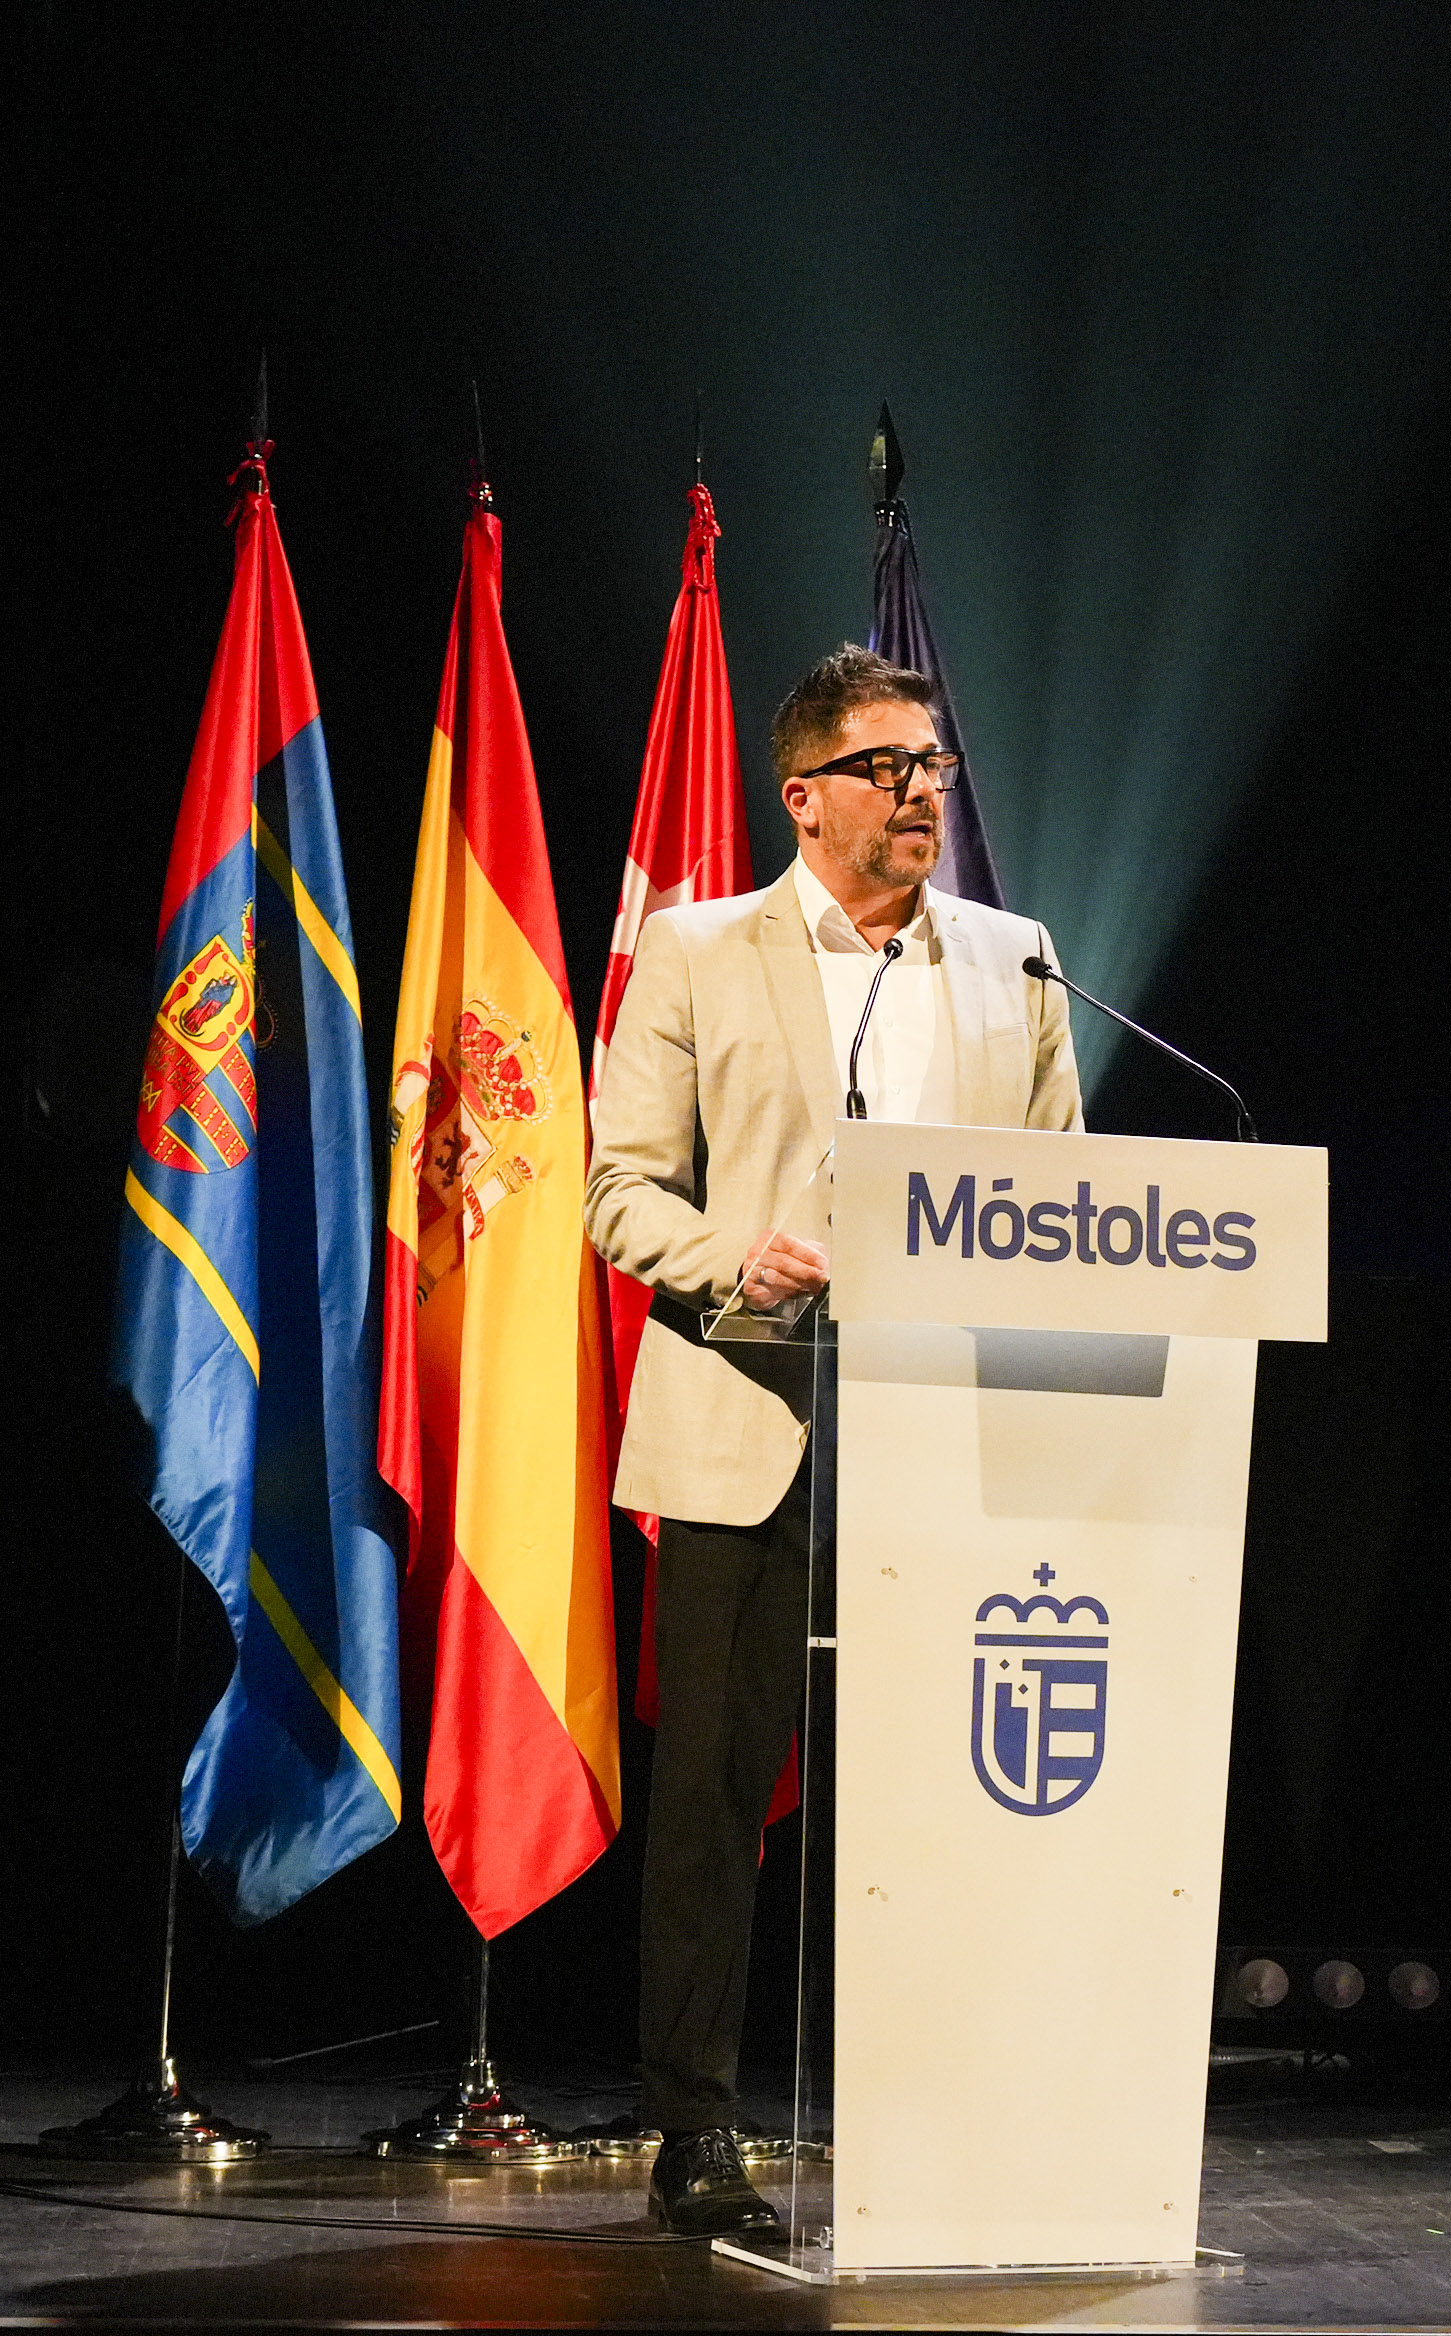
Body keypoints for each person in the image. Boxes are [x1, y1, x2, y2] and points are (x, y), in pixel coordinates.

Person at [586, 644, 1083, 2236]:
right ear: (803, 797)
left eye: (933, 764)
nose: (921, 791)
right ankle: (697, 2132)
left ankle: (954, 2121)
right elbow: (617, 1191)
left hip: (950, 1441)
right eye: (887, 767)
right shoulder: (697, 950)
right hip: (751, 1423)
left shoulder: (1017, 962)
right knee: (714, 1802)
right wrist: (739, 1260)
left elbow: (1066, 1200)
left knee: (960, 1797)